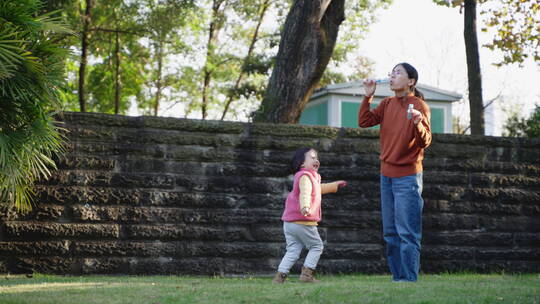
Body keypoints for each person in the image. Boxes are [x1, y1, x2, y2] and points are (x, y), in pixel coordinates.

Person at [358, 62, 432, 282]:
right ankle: (398, 278)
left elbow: (425, 141)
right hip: (386, 176)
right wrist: (368, 96)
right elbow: (364, 122)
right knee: (390, 233)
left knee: (407, 233)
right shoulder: (387, 103)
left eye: (398, 73)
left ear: (411, 81)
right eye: (391, 73)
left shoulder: (419, 105)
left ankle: (408, 279)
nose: (392, 76)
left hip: (408, 177)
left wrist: (418, 122)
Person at [272, 147, 347, 283]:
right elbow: (305, 193)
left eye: (316, 157)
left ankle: (280, 276)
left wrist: (334, 185)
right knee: (316, 246)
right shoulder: (305, 177)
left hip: (289, 223)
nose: (316, 159)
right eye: (312, 157)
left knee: (293, 250)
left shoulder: (308, 177)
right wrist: (305, 207)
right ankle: (306, 275)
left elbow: (318, 189)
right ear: (302, 163)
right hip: (302, 221)